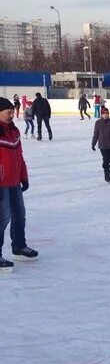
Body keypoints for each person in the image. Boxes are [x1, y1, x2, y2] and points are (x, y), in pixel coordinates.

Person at [0, 97, 39, 271]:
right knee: (2, 218)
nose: (11, 115)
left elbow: (19, 156)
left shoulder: (14, 131)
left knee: (19, 215)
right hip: (1, 184)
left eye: (12, 112)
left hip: (15, 181)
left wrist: (24, 176)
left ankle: (18, 246)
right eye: (8, 113)